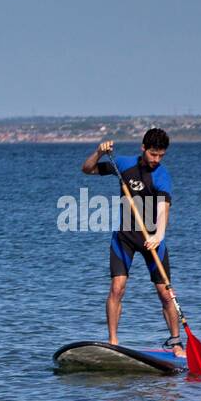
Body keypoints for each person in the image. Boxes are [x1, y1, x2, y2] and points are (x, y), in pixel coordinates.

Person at [81, 128, 183, 357]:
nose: (157, 160)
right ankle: (113, 341)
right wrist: (98, 152)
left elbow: (163, 208)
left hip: (152, 240)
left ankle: (176, 343)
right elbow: (87, 169)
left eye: (161, 156)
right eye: (153, 154)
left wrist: (158, 236)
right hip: (124, 238)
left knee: (166, 294)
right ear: (143, 148)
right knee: (117, 288)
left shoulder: (161, 175)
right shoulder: (124, 164)